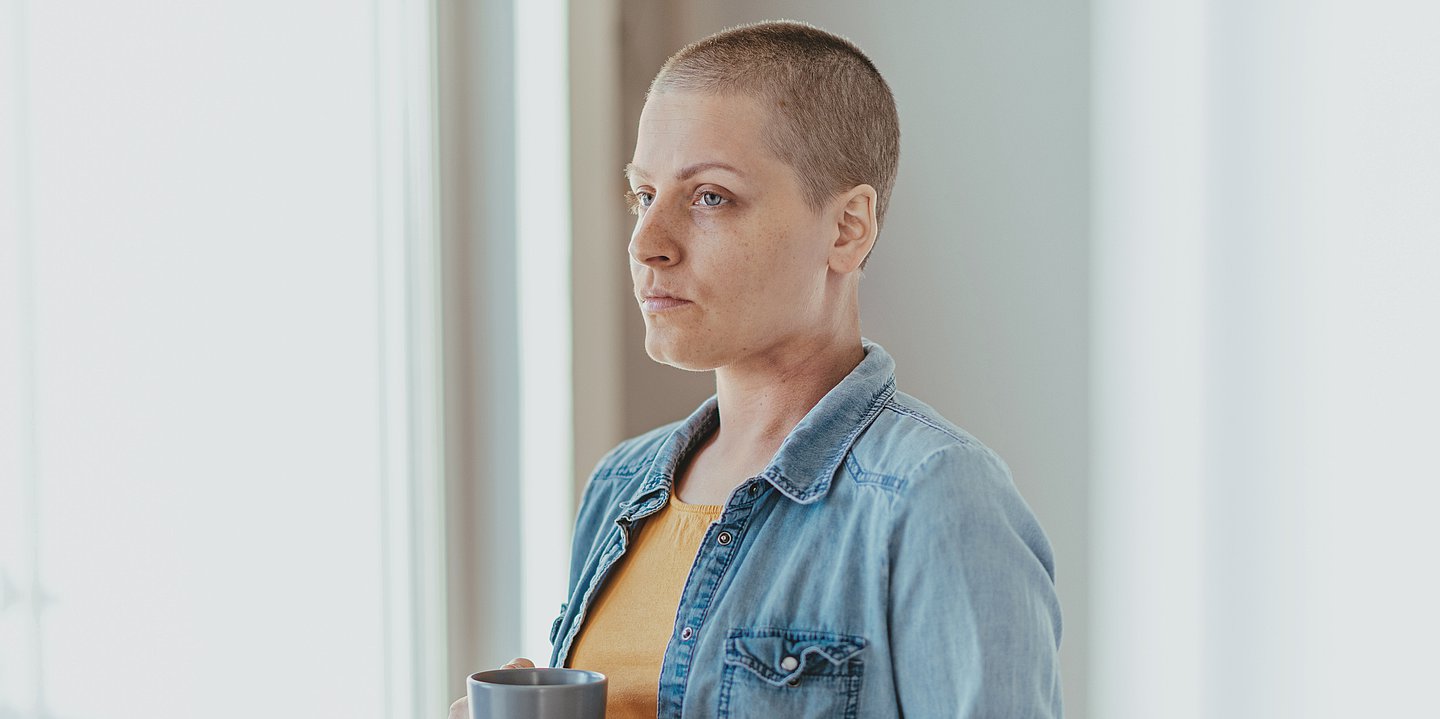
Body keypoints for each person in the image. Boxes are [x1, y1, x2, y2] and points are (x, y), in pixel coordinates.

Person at [451, 19, 1062, 719]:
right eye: (643, 196)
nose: (648, 242)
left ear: (847, 228)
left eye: (710, 196)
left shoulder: (935, 498)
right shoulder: (618, 488)